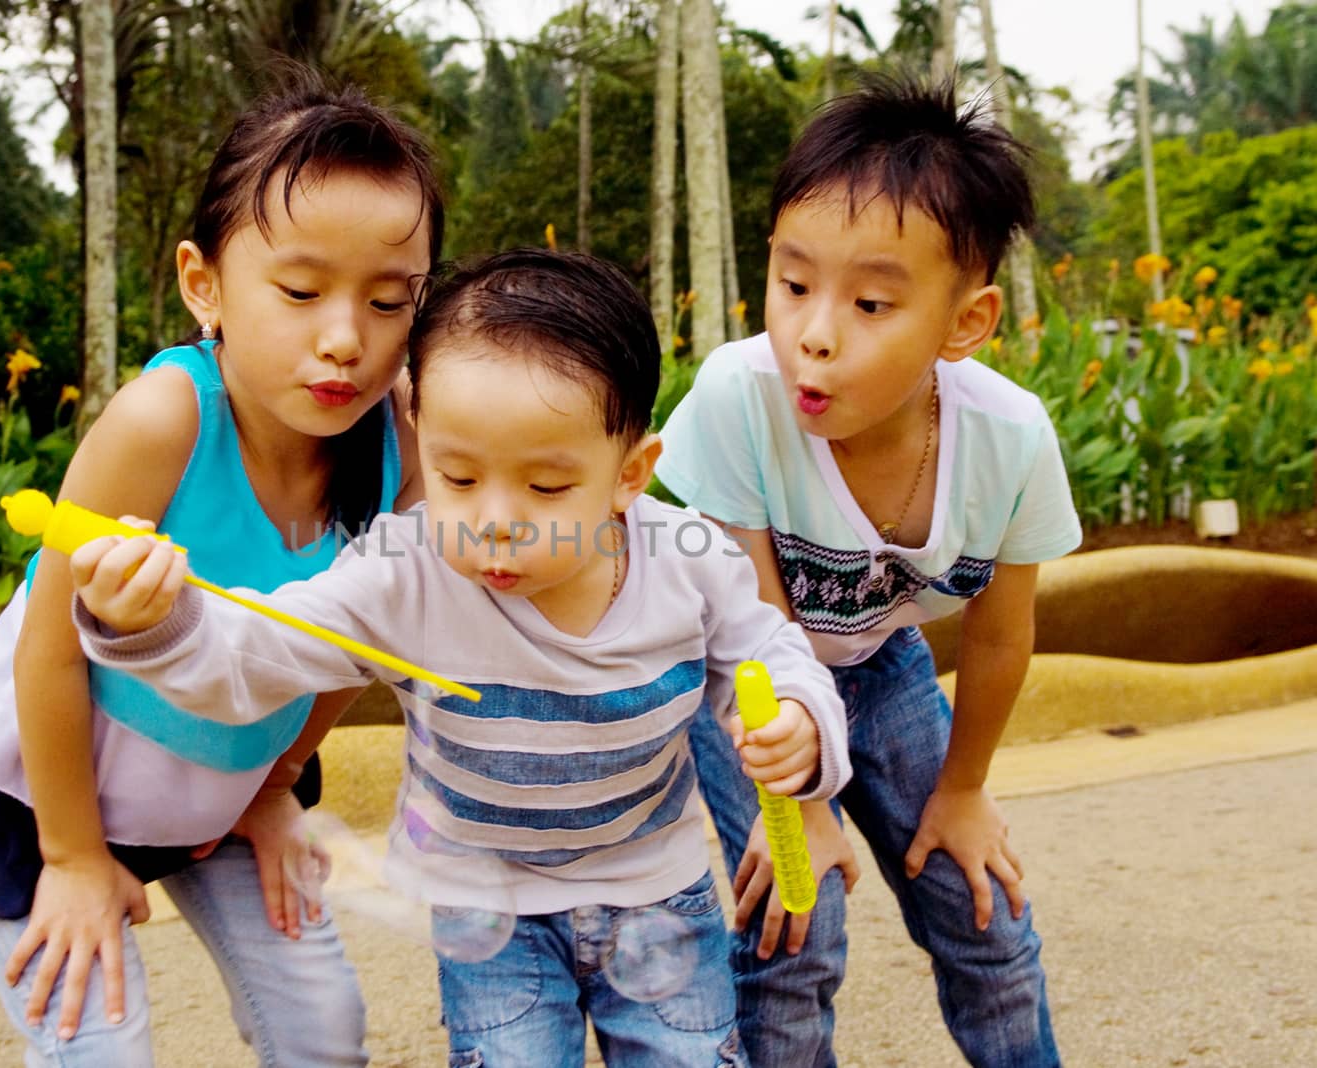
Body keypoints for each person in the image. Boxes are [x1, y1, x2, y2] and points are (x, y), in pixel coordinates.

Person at [67, 248, 853, 1068]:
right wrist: (155, 620)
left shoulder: (689, 562)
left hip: (656, 887)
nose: (495, 522)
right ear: (422, 442)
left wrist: (798, 721)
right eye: (458, 475)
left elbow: (772, 651)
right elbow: (251, 655)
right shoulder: (406, 571)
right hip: (489, 908)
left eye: (547, 488)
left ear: (630, 474)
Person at [0, 70, 441, 1065]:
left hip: (222, 781)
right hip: (48, 790)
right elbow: (49, 652)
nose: (347, 337)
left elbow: (348, 647)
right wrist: (75, 859)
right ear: (202, 283)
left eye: (390, 301)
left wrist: (276, 784)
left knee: (324, 1030)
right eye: (299, 291)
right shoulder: (161, 420)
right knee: (98, 1047)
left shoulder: (400, 439)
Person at [659, 76, 1080, 1067]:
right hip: (743, 679)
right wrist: (800, 803)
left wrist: (964, 788)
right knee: (796, 926)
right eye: (793, 283)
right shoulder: (738, 395)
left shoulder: (1008, 439)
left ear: (963, 324)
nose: (813, 330)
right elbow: (750, 627)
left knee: (984, 914)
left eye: (871, 301)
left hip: (880, 667)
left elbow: (1001, 631)